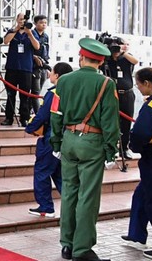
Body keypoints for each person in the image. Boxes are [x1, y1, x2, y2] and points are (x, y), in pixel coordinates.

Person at [50, 38, 119, 261]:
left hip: (68, 140)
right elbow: (110, 121)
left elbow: (55, 114)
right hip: (92, 142)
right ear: (100, 62)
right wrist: (111, 151)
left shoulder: (63, 81)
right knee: (88, 196)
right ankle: (82, 249)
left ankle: (67, 245)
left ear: (81, 57)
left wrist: (56, 142)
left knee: (69, 192)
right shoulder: (106, 84)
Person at [123, 67, 152, 261]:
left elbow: (140, 132)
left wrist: (134, 146)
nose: (137, 87)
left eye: (138, 83)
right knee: (141, 194)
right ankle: (137, 235)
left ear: (147, 84)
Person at [24, 62, 73, 218]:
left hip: (52, 138)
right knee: (58, 173)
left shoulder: (54, 93)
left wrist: (30, 128)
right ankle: (73, 205)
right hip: (67, 138)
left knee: (42, 171)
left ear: (57, 75)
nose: (50, 74)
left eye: (52, 72)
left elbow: (43, 115)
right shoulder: (73, 92)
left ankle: (46, 206)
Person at [101, 38, 139, 159]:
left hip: (127, 94)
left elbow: (135, 61)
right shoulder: (107, 60)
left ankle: (124, 148)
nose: (116, 50)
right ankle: (111, 148)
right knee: (111, 121)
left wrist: (122, 52)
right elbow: (99, 65)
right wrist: (106, 51)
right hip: (112, 94)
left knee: (127, 122)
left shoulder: (126, 58)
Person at [2, 12, 40, 126]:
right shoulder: (12, 31)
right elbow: (6, 41)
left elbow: (37, 46)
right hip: (12, 67)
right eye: (20, 19)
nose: (22, 22)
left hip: (26, 68)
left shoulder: (32, 32)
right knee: (10, 94)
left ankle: (24, 118)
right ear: (17, 20)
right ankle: (9, 118)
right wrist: (16, 29)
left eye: (24, 20)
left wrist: (29, 34)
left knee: (25, 95)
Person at [30, 15, 50, 113]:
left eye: (45, 23)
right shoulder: (32, 34)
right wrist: (34, 57)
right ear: (35, 24)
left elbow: (47, 51)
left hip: (43, 66)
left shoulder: (46, 36)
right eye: (41, 23)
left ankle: (29, 111)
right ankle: (37, 114)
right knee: (35, 92)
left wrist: (47, 67)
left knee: (40, 89)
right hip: (34, 66)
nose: (44, 25)